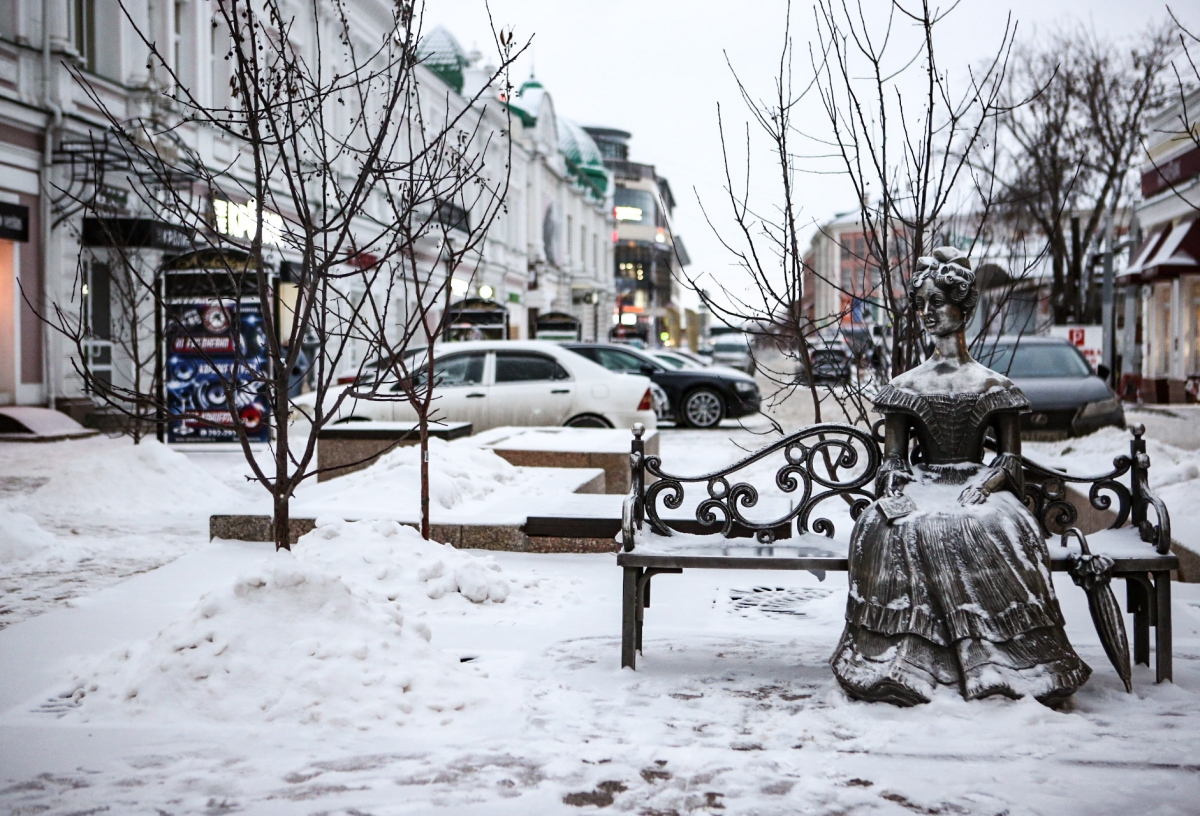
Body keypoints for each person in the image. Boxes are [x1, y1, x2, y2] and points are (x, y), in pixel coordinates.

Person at [830, 247, 1090, 706]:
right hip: (924, 485)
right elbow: (893, 462)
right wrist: (898, 489)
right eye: (922, 304)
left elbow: (1010, 462)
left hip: (978, 487)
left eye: (938, 302)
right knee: (896, 527)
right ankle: (905, 663)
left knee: (991, 524)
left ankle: (1006, 662)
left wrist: (985, 484)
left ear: (965, 308)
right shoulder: (907, 386)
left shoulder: (994, 386)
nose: (927, 313)